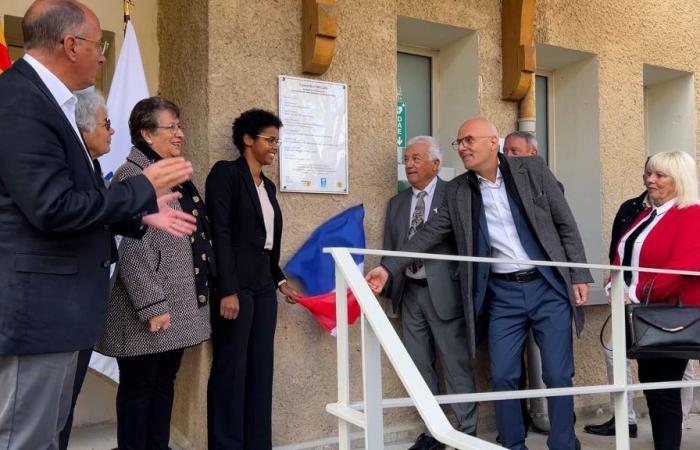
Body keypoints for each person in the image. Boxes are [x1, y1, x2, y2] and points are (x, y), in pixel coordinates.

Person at [0, 2, 195, 449]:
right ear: (70, 45)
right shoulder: (20, 101)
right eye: (97, 44)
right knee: (25, 440)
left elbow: (76, 201)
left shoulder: (49, 103)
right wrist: (141, 187)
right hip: (38, 314)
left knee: (47, 437)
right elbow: (52, 207)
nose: (103, 55)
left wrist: (136, 213)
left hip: (58, 314)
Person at [366, 117, 592, 450]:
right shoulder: (459, 191)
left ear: (492, 142)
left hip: (547, 287)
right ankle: (513, 445)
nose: (464, 147)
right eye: (460, 142)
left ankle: (563, 444)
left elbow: (565, 223)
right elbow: (428, 234)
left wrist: (579, 273)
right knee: (502, 376)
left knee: (557, 375)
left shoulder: (532, 170)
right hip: (502, 294)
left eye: (469, 140)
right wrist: (388, 267)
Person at [95, 97, 213, 450]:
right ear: (147, 134)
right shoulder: (133, 177)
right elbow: (130, 247)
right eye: (171, 127)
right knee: (139, 390)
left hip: (173, 307)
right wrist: (152, 306)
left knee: (164, 385)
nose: (179, 134)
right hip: (144, 313)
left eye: (180, 126)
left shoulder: (169, 172)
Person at [206, 108, 299, 449]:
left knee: (261, 369)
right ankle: (227, 444)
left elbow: (265, 241)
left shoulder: (268, 185)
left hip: (262, 285)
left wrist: (279, 279)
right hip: (235, 287)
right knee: (231, 370)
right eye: (269, 139)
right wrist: (227, 290)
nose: (275, 146)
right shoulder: (225, 174)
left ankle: (257, 443)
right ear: (248, 139)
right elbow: (221, 233)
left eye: (278, 140)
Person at [382, 136, 477, 449]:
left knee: (455, 364)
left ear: (436, 164)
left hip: (445, 294)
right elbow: (391, 248)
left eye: (416, 159)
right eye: (407, 159)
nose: (409, 164)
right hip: (410, 293)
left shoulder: (454, 195)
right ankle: (435, 431)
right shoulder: (396, 203)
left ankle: (466, 432)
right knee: (419, 366)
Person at [610, 150, 700, 450]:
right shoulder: (649, 213)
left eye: (659, 175)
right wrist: (615, 283)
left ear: (680, 179)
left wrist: (634, 293)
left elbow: (682, 268)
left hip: (668, 315)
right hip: (642, 312)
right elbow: (625, 253)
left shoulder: (691, 213)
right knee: (653, 385)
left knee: (663, 391)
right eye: (649, 172)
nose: (650, 179)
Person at [58, 89, 115, 450]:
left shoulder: (93, 167)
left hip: (82, 308)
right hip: (63, 307)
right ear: (83, 125)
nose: (112, 131)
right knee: (52, 408)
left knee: (65, 404)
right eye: (107, 124)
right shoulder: (70, 169)